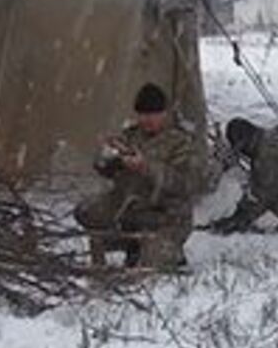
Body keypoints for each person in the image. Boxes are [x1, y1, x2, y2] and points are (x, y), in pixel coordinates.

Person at [75, 83, 199, 269]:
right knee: (87, 211)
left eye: (152, 114)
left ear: (164, 114)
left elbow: (185, 184)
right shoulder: (131, 136)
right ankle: (128, 243)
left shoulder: (181, 142)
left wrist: (146, 167)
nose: (147, 120)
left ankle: (166, 249)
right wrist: (109, 158)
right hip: (132, 207)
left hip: (165, 214)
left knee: (151, 261)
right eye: (142, 114)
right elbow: (105, 169)